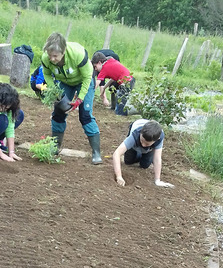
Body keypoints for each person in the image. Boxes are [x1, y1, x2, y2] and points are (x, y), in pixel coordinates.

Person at [41, 32, 102, 165]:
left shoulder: (77, 55)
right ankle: (55, 147)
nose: (51, 59)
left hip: (84, 81)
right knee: (58, 112)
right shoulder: (46, 58)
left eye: (55, 56)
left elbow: (87, 77)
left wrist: (80, 99)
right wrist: (55, 91)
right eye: (50, 55)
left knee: (85, 115)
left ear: (63, 51)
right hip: (65, 82)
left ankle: (96, 152)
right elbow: (47, 74)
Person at [112, 119, 174, 187]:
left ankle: (142, 154)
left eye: (147, 144)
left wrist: (157, 180)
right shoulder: (134, 135)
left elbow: (157, 159)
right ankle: (137, 153)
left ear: (156, 140)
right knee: (128, 161)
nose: (143, 145)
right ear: (141, 133)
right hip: (135, 143)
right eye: (142, 141)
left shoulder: (158, 138)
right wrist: (119, 176)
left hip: (149, 149)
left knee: (145, 165)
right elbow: (116, 154)